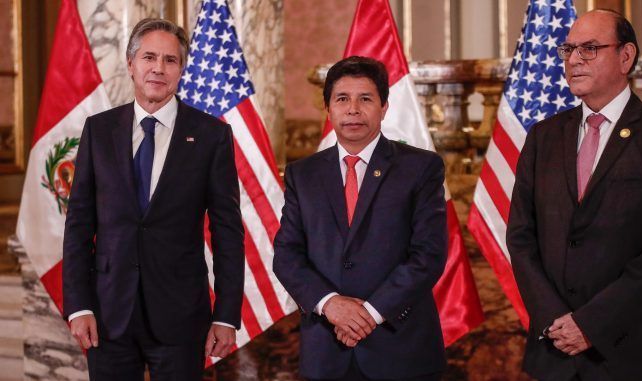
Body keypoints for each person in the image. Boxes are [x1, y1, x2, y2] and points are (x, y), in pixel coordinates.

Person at [62, 18, 245, 380]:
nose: (158, 68)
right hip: (108, 314)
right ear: (131, 65)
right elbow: (79, 225)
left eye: (170, 60)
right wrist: (78, 305)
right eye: (149, 57)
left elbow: (227, 231)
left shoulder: (211, 136)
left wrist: (225, 314)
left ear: (181, 70)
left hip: (181, 316)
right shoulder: (98, 131)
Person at [507, 9, 642, 381]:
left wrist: (590, 324)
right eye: (568, 49)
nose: (573, 60)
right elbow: (520, 236)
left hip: (631, 354)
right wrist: (557, 320)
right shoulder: (543, 137)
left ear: (626, 56)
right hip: (554, 352)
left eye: (589, 48)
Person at [273, 56, 447, 381]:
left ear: (383, 107)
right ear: (328, 109)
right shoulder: (303, 174)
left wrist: (368, 313)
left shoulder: (421, 168)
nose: (353, 109)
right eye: (342, 99)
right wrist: (330, 305)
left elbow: (429, 255)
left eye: (365, 98)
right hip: (327, 352)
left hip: (401, 351)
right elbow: (286, 256)